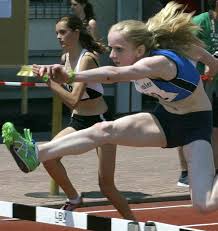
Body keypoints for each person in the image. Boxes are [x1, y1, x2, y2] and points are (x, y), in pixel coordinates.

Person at [2, 1, 218, 213]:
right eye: (112, 48)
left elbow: (113, 75)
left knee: (204, 205)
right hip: (165, 119)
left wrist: (71, 75)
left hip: (194, 126)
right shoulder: (147, 56)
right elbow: (206, 58)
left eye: (118, 49)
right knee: (104, 130)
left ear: (140, 49)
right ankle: (35, 153)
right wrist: (210, 67)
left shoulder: (157, 62)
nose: (112, 55)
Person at [19, 15, 135, 220]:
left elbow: (72, 99)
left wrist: (48, 81)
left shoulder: (87, 59)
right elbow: (65, 89)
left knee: (106, 186)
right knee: (48, 157)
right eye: (56, 33)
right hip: (79, 121)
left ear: (76, 33)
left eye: (62, 32)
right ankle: (74, 198)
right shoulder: (65, 58)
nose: (58, 37)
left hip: (101, 122)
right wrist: (44, 71)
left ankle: (132, 223)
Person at [177, 0, 218, 188]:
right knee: (188, 125)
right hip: (197, 82)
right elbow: (183, 47)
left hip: (215, 83)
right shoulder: (200, 21)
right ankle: (185, 172)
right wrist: (206, 59)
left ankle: (214, 171)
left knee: (215, 129)